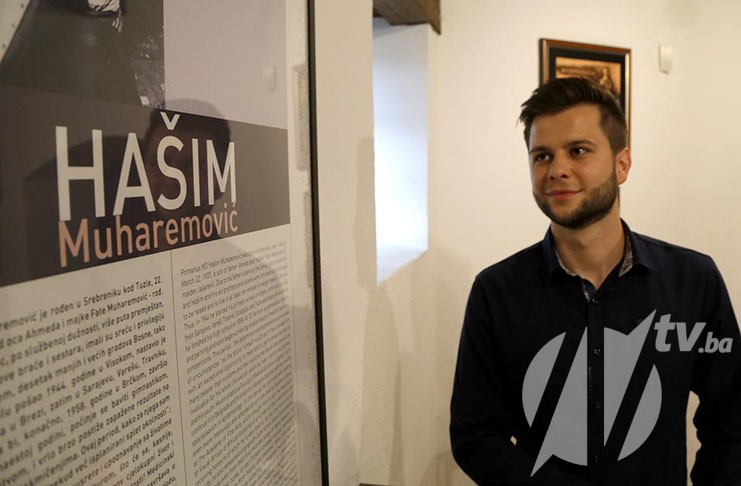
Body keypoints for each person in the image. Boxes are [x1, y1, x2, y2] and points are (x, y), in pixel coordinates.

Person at [450, 76, 741, 485]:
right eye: (542, 156)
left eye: (578, 151)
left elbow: (731, 414)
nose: (557, 170)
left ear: (622, 164)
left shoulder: (693, 281)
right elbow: (475, 436)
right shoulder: (496, 293)